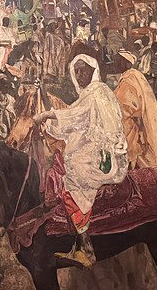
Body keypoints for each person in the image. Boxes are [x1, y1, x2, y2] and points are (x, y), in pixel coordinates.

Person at [33, 50, 129, 268]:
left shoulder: (97, 92)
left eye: (84, 71)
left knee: (72, 179)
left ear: (93, 71)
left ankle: (86, 247)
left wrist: (48, 115)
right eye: (76, 72)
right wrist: (51, 125)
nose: (80, 76)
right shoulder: (87, 96)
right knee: (66, 158)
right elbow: (74, 122)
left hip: (106, 155)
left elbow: (75, 116)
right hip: (97, 148)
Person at [110, 50, 157, 169]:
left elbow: (123, 109)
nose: (113, 64)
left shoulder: (129, 81)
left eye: (116, 61)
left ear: (124, 62)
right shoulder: (132, 76)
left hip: (131, 124)